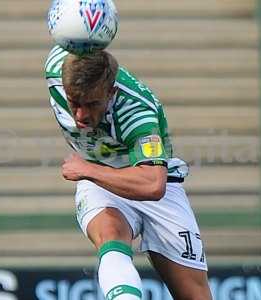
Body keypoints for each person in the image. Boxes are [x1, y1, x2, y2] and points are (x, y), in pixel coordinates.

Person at [45, 45, 212, 300]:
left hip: (148, 179)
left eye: (91, 104)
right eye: (74, 103)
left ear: (110, 93)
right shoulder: (55, 69)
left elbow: (153, 185)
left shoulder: (136, 112)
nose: (80, 115)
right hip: (99, 182)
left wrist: (88, 169)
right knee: (110, 234)